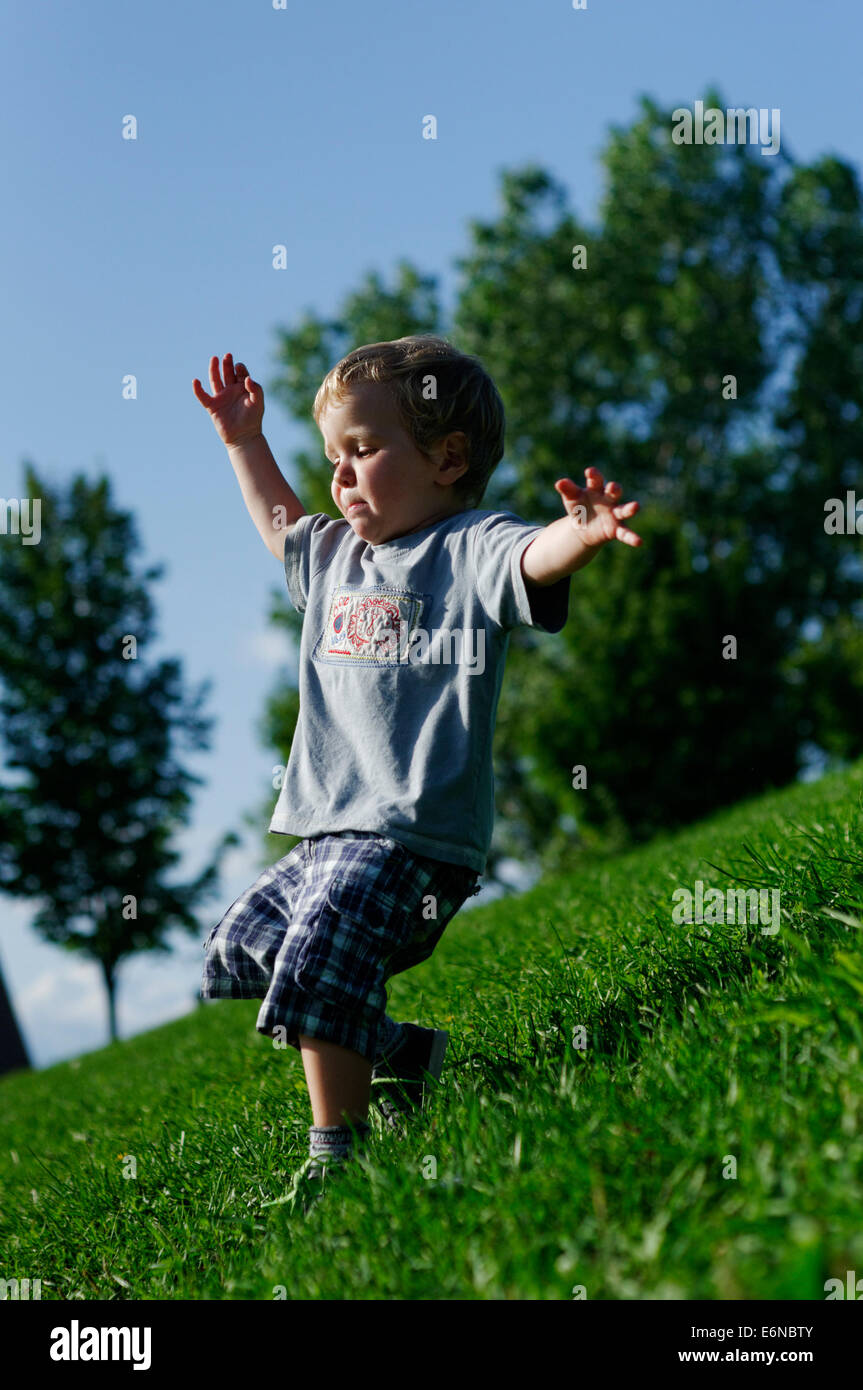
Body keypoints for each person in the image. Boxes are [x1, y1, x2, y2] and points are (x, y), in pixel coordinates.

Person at [192, 335, 641, 1191]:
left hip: (411, 839)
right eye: (334, 456)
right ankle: (403, 1053)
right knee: (246, 948)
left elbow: (529, 557)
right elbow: (280, 520)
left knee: (320, 960)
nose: (342, 475)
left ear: (446, 458)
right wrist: (244, 441)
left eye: (363, 451)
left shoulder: (466, 547)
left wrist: (578, 535)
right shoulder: (334, 560)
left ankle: (340, 1159)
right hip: (327, 833)